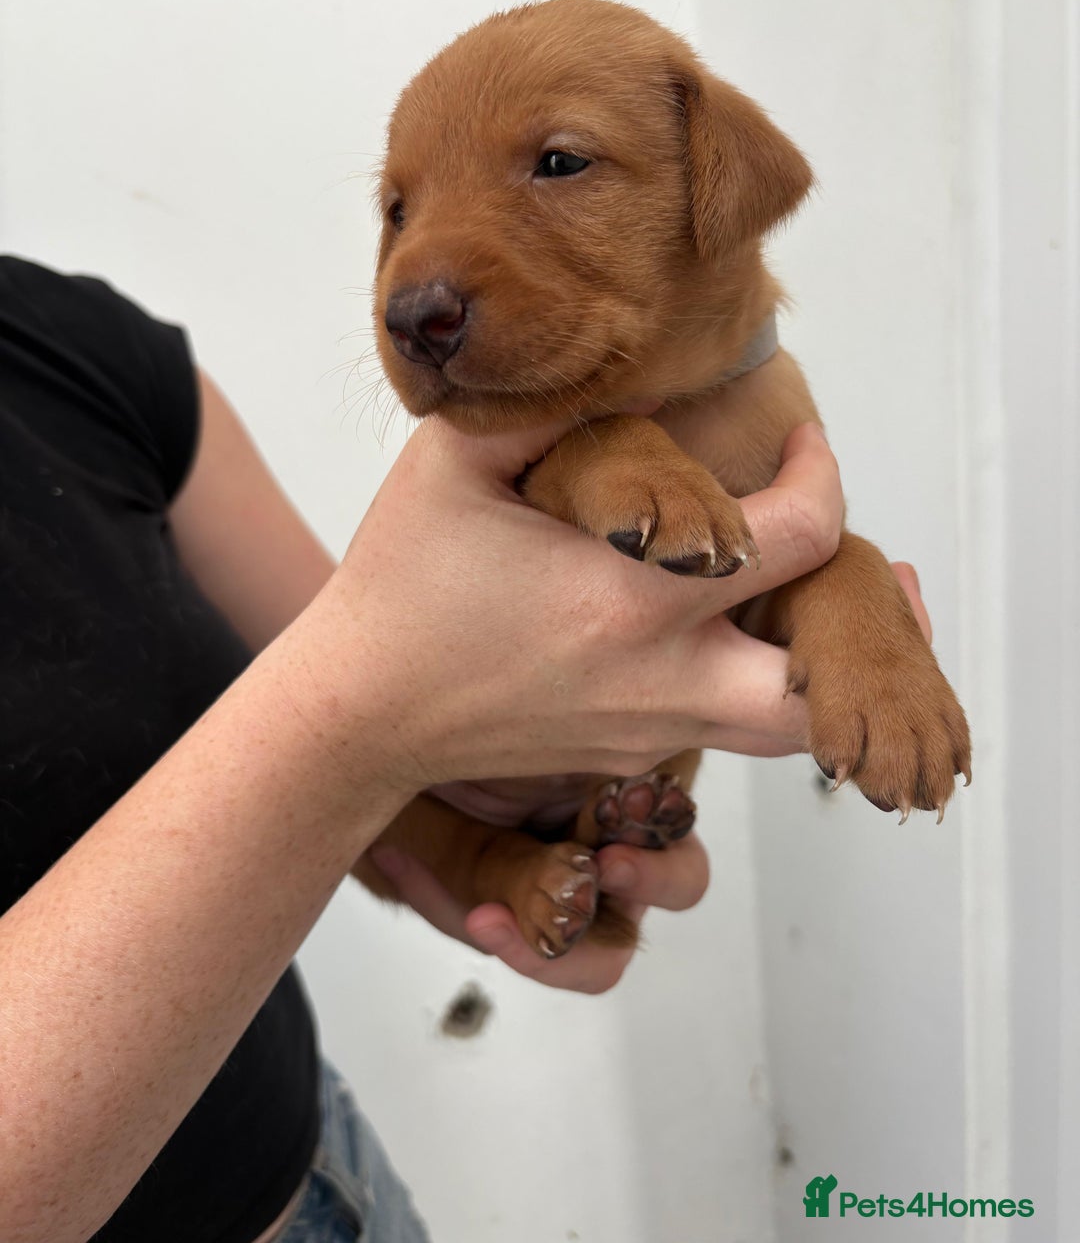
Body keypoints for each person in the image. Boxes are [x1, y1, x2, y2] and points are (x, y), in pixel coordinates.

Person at [0, 256, 925, 1243]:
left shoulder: (71, 345)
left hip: (323, 1179)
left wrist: (530, 759)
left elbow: (371, 679)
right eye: (399, 211)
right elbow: (358, 712)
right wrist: (376, 733)